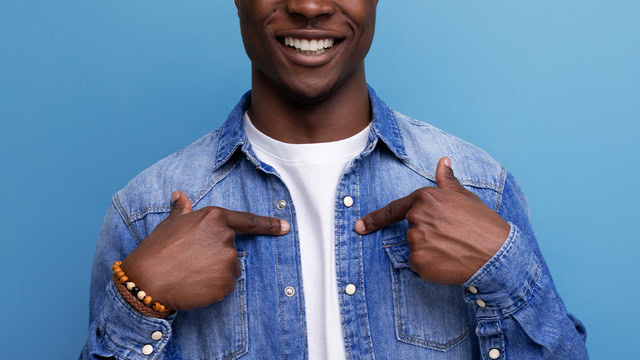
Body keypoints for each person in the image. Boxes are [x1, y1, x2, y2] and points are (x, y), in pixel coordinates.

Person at [80, 1, 588, 359]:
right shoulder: (146, 210)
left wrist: (504, 268)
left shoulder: (481, 187)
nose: (308, 5)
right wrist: (140, 302)